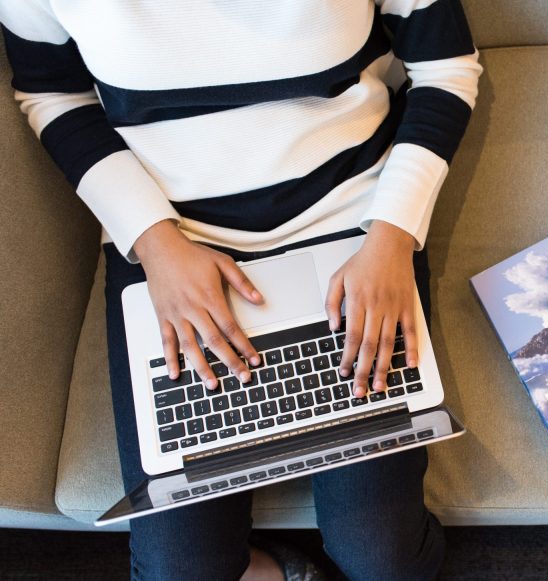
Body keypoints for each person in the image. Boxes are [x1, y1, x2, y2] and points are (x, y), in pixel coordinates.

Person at [1, 1, 481, 579]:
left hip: (355, 225)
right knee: (182, 570)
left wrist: (393, 237)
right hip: (172, 239)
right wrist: (154, 244)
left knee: (384, 558)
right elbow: (54, 94)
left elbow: (445, 66)